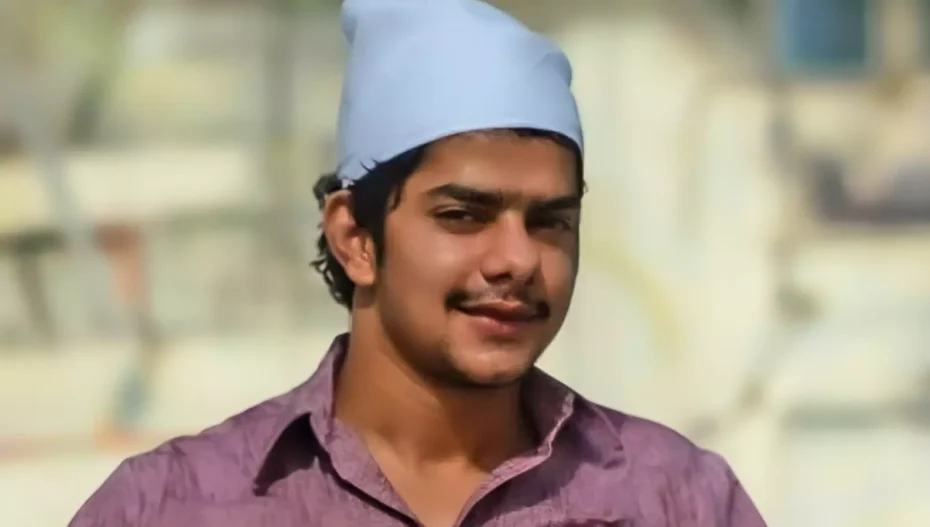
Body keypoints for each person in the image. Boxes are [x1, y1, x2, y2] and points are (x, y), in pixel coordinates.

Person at [69, 0, 767, 525]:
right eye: (463, 215)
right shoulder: (175, 506)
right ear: (355, 236)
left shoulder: (678, 499)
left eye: (550, 222)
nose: (518, 259)